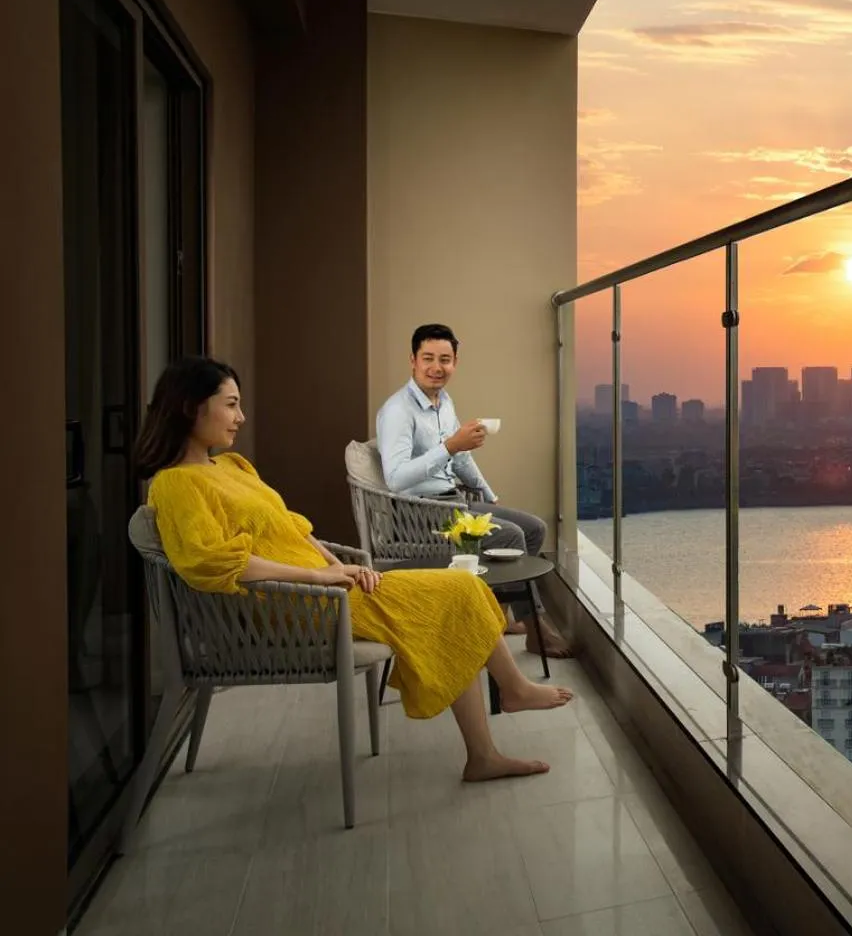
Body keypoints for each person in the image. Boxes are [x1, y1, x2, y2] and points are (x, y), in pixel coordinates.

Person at [138, 356, 570, 782]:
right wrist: (320, 578)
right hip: (292, 607)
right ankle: (504, 709)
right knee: (456, 593)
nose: (241, 416)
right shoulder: (176, 484)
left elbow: (293, 530)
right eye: (231, 405)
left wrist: (339, 566)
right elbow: (213, 562)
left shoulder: (232, 467)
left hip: (328, 588)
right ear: (192, 408)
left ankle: (488, 742)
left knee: (461, 588)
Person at [375, 323, 565, 655]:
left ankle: (501, 617)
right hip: (417, 514)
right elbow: (395, 479)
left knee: (534, 528)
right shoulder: (397, 411)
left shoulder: (443, 402)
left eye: (445, 360)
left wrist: (488, 494)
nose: (437, 368)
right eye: (428, 358)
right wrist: (449, 446)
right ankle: (536, 630)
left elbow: (460, 457)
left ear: (455, 363)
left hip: (452, 504)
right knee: (510, 536)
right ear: (413, 361)